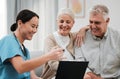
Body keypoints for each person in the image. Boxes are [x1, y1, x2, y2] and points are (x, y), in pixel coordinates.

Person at [0, 9, 64, 79]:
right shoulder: (8, 41)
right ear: (20, 23)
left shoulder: (25, 51)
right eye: (33, 26)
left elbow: (33, 77)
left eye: (36, 27)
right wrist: (48, 56)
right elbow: (21, 67)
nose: (35, 30)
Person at [75, 4, 120, 79]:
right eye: (91, 22)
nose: (93, 26)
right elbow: (79, 62)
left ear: (107, 20)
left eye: (97, 23)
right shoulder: (81, 37)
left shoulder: (118, 37)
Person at [40, 8, 87, 79]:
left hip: (72, 75)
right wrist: (72, 72)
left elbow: (91, 27)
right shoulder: (50, 39)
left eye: (68, 22)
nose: (64, 25)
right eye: (61, 21)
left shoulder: (73, 36)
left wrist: (83, 29)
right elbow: (52, 63)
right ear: (57, 22)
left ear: (73, 23)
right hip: (53, 76)